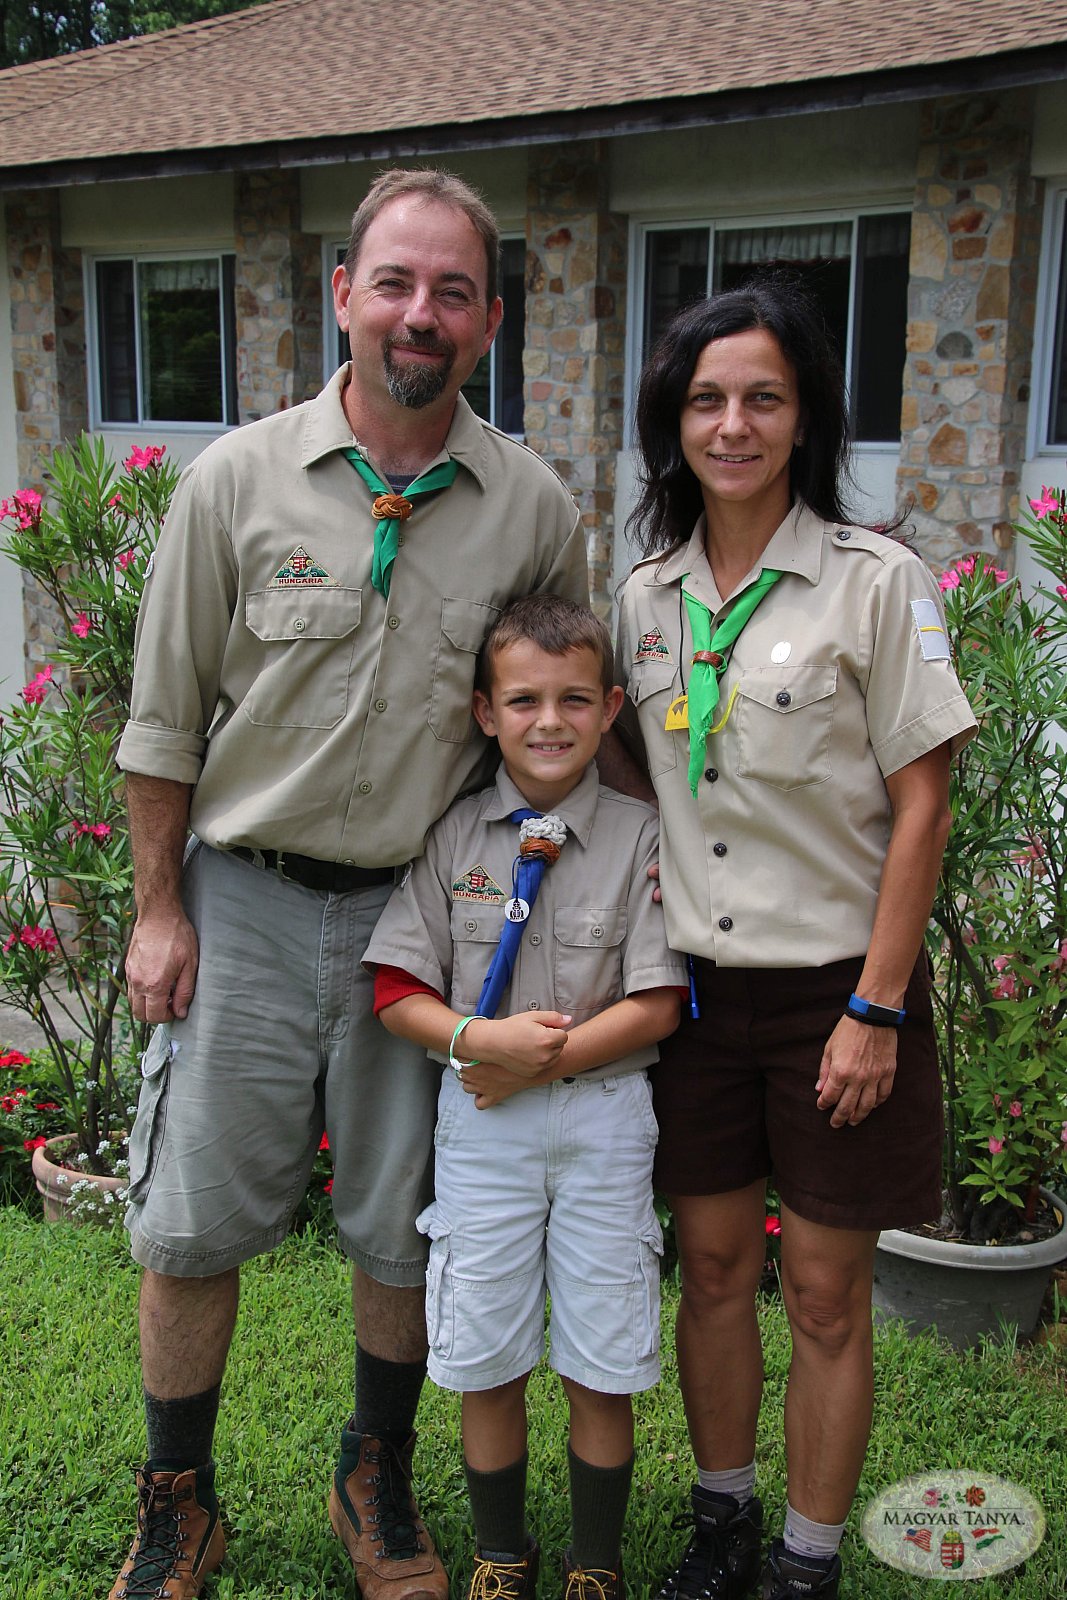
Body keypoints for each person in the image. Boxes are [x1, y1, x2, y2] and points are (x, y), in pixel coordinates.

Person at [112, 168, 589, 1600]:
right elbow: (162, 721)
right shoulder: (233, 482)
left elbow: (548, 732)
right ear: (341, 295)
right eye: (394, 281)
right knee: (190, 1222)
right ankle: (177, 1502)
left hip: (418, 919)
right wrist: (156, 910)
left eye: (452, 290)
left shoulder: (531, 510)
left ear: (490, 318)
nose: (419, 312)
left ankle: (372, 1473)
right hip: (243, 901)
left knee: (402, 1223)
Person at [615, 279, 977, 1600]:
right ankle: (720, 1524)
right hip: (696, 1001)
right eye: (706, 399)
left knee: (822, 1292)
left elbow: (921, 802)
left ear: (805, 417)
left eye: (762, 398)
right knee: (712, 1271)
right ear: (672, 421)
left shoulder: (874, 583)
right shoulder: (641, 598)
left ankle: (804, 1560)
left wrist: (876, 1009)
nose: (733, 425)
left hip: (837, 992)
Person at [363, 594, 686, 1600]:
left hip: (603, 1121)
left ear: (610, 709)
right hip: (482, 1126)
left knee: (600, 1353)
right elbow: (395, 990)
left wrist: (536, 1059)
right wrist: (478, 1040)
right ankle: (501, 1557)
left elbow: (658, 1002)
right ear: (484, 712)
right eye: (523, 700)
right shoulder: (454, 837)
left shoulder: (641, 838)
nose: (549, 720)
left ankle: (595, 1565)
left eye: (574, 699)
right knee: (485, 1349)